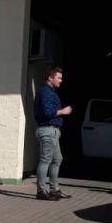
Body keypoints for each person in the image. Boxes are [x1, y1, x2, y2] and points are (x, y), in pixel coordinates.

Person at [33, 66, 72, 200]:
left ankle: (54, 190)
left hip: (53, 131)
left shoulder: (51, 92)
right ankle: (41, 191)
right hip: (47, 130)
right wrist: (63, 111)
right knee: (45, 160)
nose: (61, 80)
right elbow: (46, 113)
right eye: (59, 78)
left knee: (57, 159)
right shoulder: (46, 92)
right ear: (50, 78)